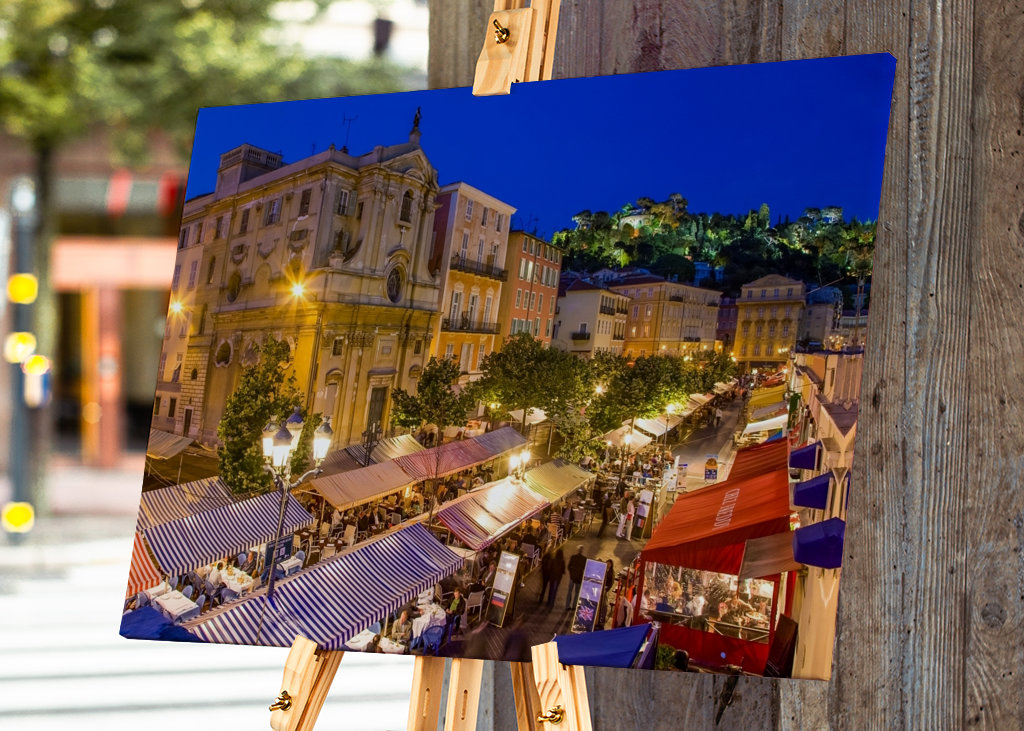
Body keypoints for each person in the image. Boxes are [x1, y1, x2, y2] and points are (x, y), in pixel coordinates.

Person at [565, 546, 587, 611]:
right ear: (582, 551)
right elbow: (585, 569)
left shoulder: (573, 557)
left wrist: (571, 574)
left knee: (569, 591)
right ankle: (574, 606)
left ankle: (567, 605)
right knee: (577, 593)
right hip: (579, 578)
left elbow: (569, 567)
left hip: (572, 577)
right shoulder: (584, 559)